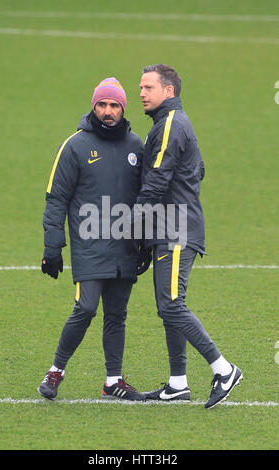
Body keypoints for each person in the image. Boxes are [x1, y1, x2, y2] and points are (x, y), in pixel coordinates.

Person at [137, 64, 243, 409]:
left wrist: (132, 227)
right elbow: (198, 170)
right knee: (168, 307)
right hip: (171, 228)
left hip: (176, 231)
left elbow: (156, 179)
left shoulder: (170, 124)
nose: (141, 93)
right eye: (140, 87)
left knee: (171, 304)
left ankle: (224, 369)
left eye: (148, 87)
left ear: (169, 91)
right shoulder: (174, 123)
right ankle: (178, 383)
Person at [38, 77, 147, 401]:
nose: (108, 111)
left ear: (123, 108)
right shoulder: (75, 146)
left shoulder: (136, 146)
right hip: (89, 245)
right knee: (85, 308)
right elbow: (56, 198)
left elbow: (148, 195)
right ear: (94, 107)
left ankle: (113, 380)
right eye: (102, 104)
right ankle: (56, 371)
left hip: (125, 245)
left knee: (117, 314)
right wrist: (52, 246)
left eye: (114, 105)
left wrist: (145, 243)